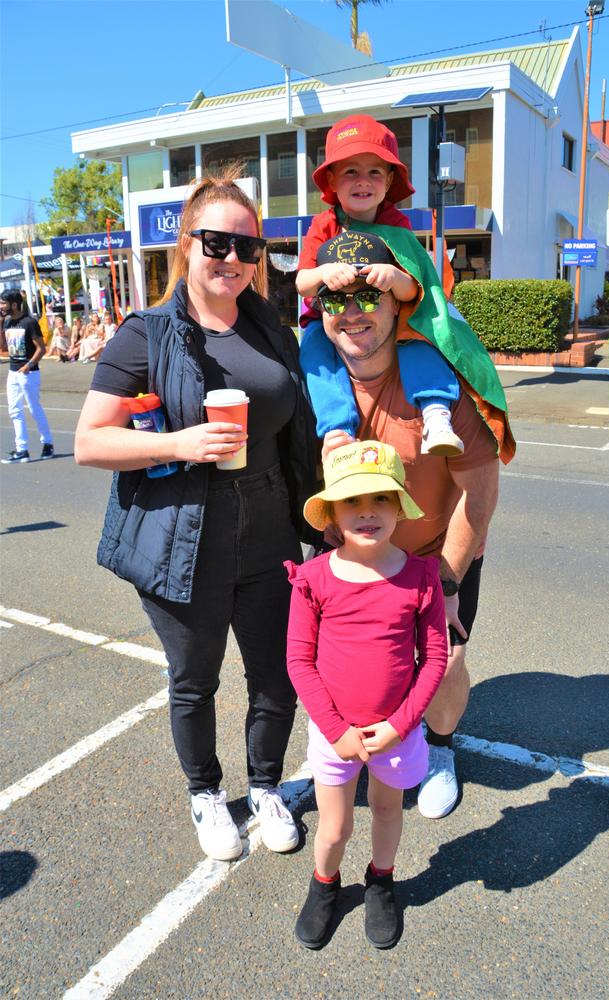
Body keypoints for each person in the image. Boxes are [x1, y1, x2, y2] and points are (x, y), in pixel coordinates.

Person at [74, 169, 319, 862]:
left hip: (270, 525)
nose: (234, 260)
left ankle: (267, 786)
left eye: (249, 249)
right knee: (196, 678)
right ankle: (206, 794)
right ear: (186, 244)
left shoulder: (271, 329)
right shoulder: (147, 335)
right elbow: (91, 442)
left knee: (276, 674)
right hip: (185, 532)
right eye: (217, 242)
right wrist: (178, 444)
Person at [312, 231, 515, 821]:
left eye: (367, 297)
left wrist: (444, 585)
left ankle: (442, 748)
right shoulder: (315, 385)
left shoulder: (439, 380)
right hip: (351, 554)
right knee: (352, 662)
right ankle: (345, 747)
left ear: (398, 302)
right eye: (336, 300)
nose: (352, 313)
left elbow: (482, 491)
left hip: (434, 553)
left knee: (443, 662)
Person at [286, 440, 448, 949]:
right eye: (352, 502)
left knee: (387, 811)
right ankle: (325, 884)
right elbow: (299, 661)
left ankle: (382, 880)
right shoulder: (314, 579)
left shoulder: (422, 577)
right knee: (333, 831)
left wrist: (400, 724)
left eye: (380, 499)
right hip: (334, 737)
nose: (367, 513)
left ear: (400, 505)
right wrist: (336, 732)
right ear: (332, 512)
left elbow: (435, 659)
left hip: (396, 731)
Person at [296, 114, 463, 456]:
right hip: (328, 317)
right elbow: (302, 283)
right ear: (332, 180)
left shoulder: (397, 225)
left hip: (388, 318)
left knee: (418, 341)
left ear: (389, 181)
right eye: (350, 171)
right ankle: (337, 430)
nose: (363, 181)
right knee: (314, 356)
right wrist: (324, 275)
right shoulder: (323, 224)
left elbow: (415, 291)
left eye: (374, 171)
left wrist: (394, 277)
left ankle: (435, 412)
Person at [0, 289, 55, 463]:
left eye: (3, 303)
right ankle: (21, 449)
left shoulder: (29, 322)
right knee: (14, 410)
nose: (1, 306)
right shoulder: (7, 322)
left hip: (29, 373)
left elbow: (41, 348)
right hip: (12, 372)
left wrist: (28, 365)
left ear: (14, 304)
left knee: (33, 408)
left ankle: (47, 443)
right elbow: (4, 348)